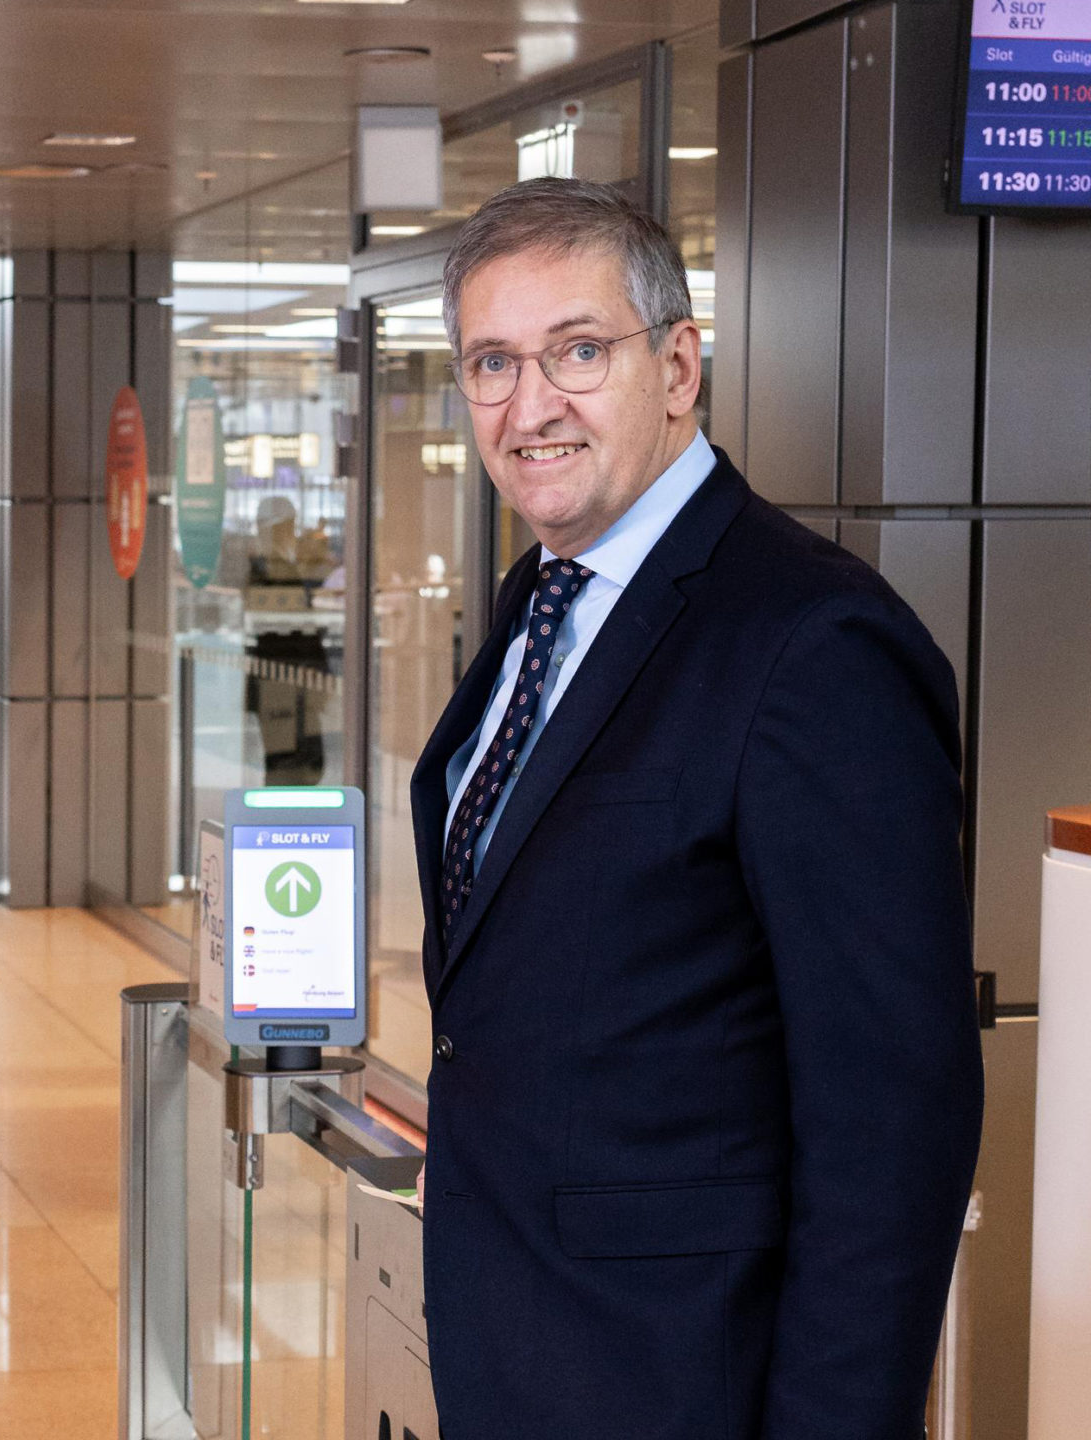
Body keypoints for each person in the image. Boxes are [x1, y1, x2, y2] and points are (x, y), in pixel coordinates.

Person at [411, 177, 981, 1439]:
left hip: (686, 1382)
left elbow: (893, 1120)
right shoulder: (537, 601)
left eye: (576, 351)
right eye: (491, 363)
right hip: (520, 1349)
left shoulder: (811, 641)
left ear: (677, 367)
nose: (528, 406)